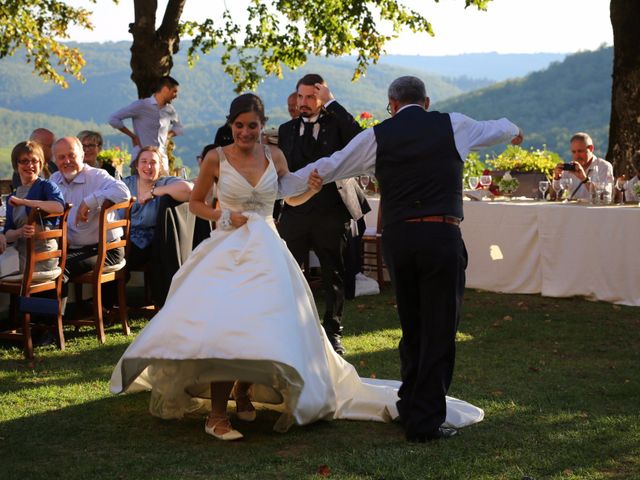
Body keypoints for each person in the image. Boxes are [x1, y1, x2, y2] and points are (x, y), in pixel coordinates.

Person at [109, 93, 486, 442]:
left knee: (261, 322)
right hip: (227, 249)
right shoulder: (215, 158)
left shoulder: (274, 157)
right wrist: (223, 214)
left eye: (252, 125)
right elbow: (196, 204)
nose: (245, 132)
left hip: (267, 248)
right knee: (224, 322)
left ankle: (244, 391)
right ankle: (217, 414)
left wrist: (313, 187)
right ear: (231, 125)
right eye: (239, 125)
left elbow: (289, 196)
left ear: (261, 125)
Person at [278, 75, 523, 442]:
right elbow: (499, 127)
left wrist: (276, 185)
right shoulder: (454, 124)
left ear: (391, 105)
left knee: (412, 323)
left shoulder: (378, 135)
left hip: (400, 239)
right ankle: (423, 421)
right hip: (441, 234)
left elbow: (330, 166)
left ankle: (411, 402)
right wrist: (515, 131)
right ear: (425, 102)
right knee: (439, 328)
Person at [277, 73, 368, 355]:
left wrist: (334, 102)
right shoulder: (286, 129)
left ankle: (333, 331)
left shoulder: (337, 123)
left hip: (331, 209)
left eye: (311, 97)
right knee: (290, 272)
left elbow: (361, 139)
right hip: (296, 210)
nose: (303, 102)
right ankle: (294, 327)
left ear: (322, 96)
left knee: (334, 273)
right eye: (300, 96)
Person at [49, 137, 130, 290]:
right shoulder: (55, 179)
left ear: (82, 156)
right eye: (61, 157)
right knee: (44, 265)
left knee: (60, 269)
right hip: (73, 248)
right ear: (55, 160)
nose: (67, 161)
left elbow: (124, 192)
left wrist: (90, 201)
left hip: (105, 249)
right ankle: (41, 313)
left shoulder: (96, 175)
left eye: (71, 155)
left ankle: (57, 314)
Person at [122, 146, 193, 272]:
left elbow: (189, 189)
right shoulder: (126, 184)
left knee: (122, 261)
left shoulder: (164, 183)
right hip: (122, 241)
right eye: (144, 162)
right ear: (137, 166)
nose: (148, 167)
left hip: (151, 244)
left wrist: (155, 192)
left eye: (153, 163)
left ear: (160, 167)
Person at [1, 141, 65, 273]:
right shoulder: (13, 196)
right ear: (16, 165)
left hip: (41, 257)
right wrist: (19, 232)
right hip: (20, 255)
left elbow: (59, 207)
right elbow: (8, 233)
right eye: (24, 161)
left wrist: (24, 202)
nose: (29, 165)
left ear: (40, 164)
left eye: (34, 161)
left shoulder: (47, 186)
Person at [108, 76, 183, 172]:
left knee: (164, 186)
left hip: (162, 162)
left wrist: (168, 136)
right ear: (165, 89)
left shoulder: (170, 110)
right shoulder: (141, 105)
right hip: (141, 162)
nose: (176, 95)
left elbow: (179, 128)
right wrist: (132, 136)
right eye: (174, 91)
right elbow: (113, 119)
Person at [552, 132, 613, 201]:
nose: (577, 156)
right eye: (573, 152)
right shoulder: (570, 167)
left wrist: (584, 179)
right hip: (572, 209)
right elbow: (557, 194)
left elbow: (604, 196)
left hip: (594, 210)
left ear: (591, 148)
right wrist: (557, 177)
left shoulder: (604, 166)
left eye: (580, 151)